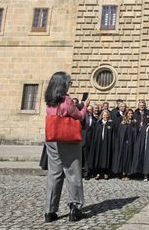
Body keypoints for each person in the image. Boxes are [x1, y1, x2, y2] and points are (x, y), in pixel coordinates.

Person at [43, 71, 88, 222]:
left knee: (54, 174)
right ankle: (75, 208)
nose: (70, 85)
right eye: (69, 82)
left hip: (52, 138)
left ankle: (50, 211)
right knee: (73, 172)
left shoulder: (49, 100)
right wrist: (85, 106)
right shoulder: (66, 100)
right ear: (63, 84)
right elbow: (79, 116)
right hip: (67, 138)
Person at [112, 109, 138, 180]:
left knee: (130, 158)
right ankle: (123, 173)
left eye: (131, 113)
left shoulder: (135, 122)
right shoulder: (123, 123)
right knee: (124, 158)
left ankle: (129, 173)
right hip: (124, 144)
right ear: (126, 114)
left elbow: (136, 133)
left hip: (132, 143)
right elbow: (121, 134)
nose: (130, 115)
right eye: (129, 113)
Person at [90, 110, 114, 180]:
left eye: (106, 115)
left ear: (108, 116)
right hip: (99, 144)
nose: (105, 116)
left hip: (107, 143)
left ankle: (106, 173)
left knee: (106, 157)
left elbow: (112, 135)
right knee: (98, 157)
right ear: (102, 115)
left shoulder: (111, 124)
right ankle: (98, 173)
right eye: (104, 115)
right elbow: (95, 134)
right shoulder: (98, 124)